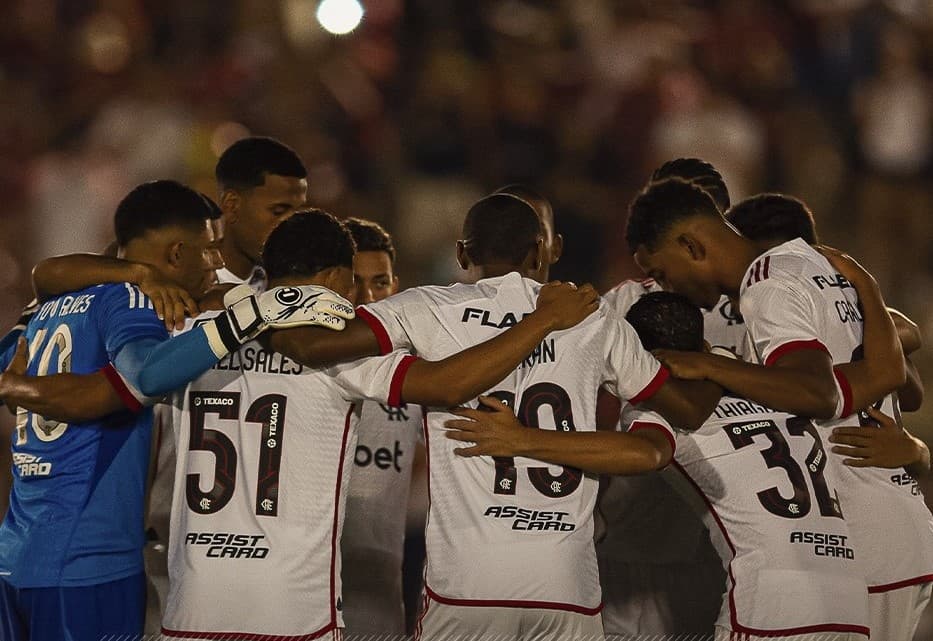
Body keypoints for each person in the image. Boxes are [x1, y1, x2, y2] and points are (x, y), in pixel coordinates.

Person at [155, 210, 599, 640]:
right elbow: (447, 385)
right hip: (293, 612)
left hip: (193, 604)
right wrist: (543, 322)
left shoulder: (194, 334)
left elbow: (138, 377)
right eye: (351, 282)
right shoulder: (339, 358)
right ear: (333, 281)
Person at [0, 181, 351, 641]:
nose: (219, 262)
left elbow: (39, 286)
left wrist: (13, 384)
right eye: (209, 249)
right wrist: (254, 315)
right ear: (176, 253)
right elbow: (141, 379)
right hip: (88, 561)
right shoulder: (129, 302)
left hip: (17, 555)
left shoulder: (47, 307)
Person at [444, 288, 878, 641]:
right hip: (851, 596)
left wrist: (521, 440)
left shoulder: (660, 407)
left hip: (771, 599)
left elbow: (645, 453)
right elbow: (882, 366)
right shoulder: (780, 389)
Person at [627, 180, 933, 641]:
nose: (666, 287)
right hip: (891, 526)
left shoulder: (765, 283)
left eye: (661, 272)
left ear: (689, 244)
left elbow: (818, 392)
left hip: (865, 529)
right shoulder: (810, 266)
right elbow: (897, 378)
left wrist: (711, 364)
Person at [339, 217, 425, 635]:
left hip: (378, 594)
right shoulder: (300, 361)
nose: (368, 297)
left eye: (381, 282)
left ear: (396, 285)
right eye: (355, 282)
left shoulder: (422, 372)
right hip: (301, 587)